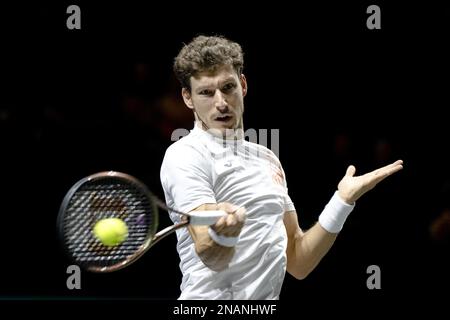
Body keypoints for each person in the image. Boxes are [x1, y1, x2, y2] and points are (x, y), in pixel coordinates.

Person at [160, 35, 403, 299]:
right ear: (188, 98)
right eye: (206, 92)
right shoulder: (185, 155)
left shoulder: (266, 158)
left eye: (227, 87)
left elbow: (298, 261)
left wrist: (342, 201)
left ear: (242, 85)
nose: (220, 102)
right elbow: (210, 254)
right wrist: (225, 235)